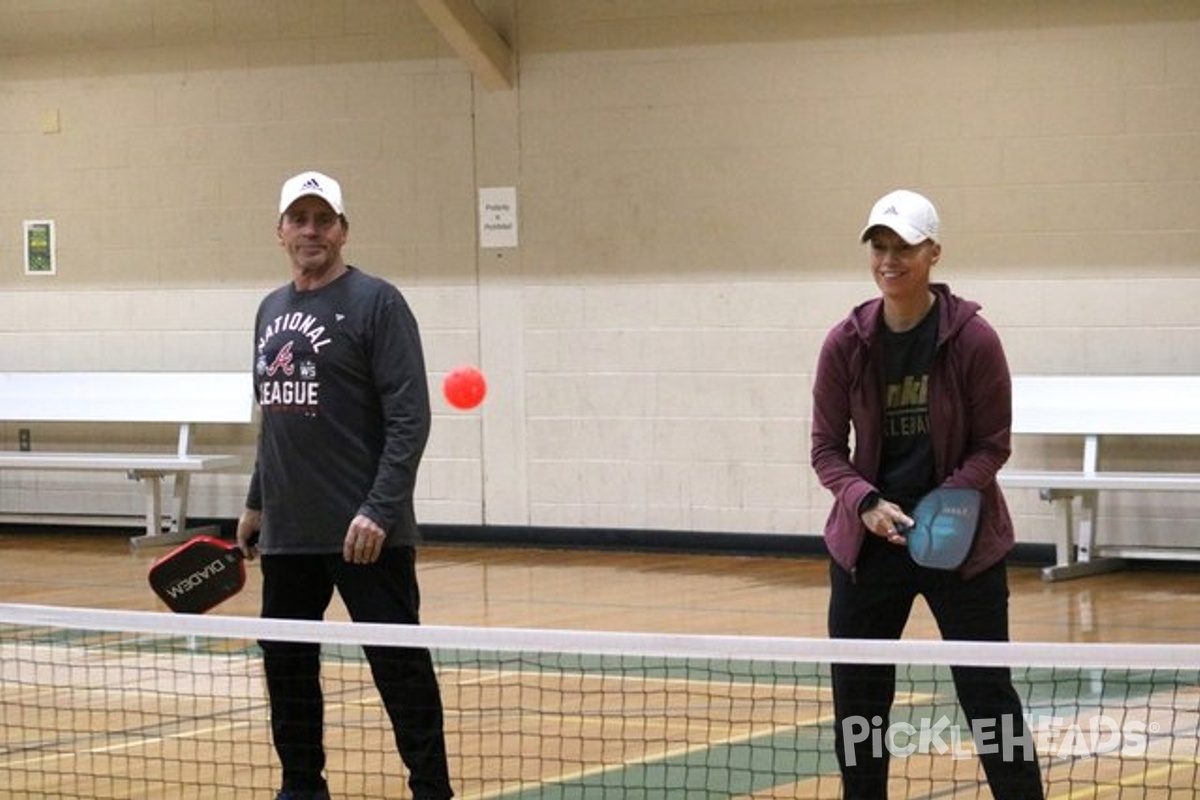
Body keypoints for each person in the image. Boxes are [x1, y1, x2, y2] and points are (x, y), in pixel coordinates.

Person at [810, 189, 1044, 799]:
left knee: (989, 697)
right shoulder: (845, 343)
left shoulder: (973, 340)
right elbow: (826, 450)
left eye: (905, 247)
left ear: (933, 252)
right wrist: (864, 501)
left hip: (961, 544)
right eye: (880, 247)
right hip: (870, 542)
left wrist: (945, 507)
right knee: (859, 705)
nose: (890, 259)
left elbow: (993, 444)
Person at [237, 170, 454, 800]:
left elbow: (410, 417)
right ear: (280, 231)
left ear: (342, 230)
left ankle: (431, 790)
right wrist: (256, 502)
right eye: (298, 219)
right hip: (289, 531)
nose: (311, 230)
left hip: (367, 535)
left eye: (323, 219)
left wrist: (379, 511)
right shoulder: (269, 309)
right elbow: (273, 415)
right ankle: (302, 787)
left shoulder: (377, 303)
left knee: (398, 667)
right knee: (287, 667)